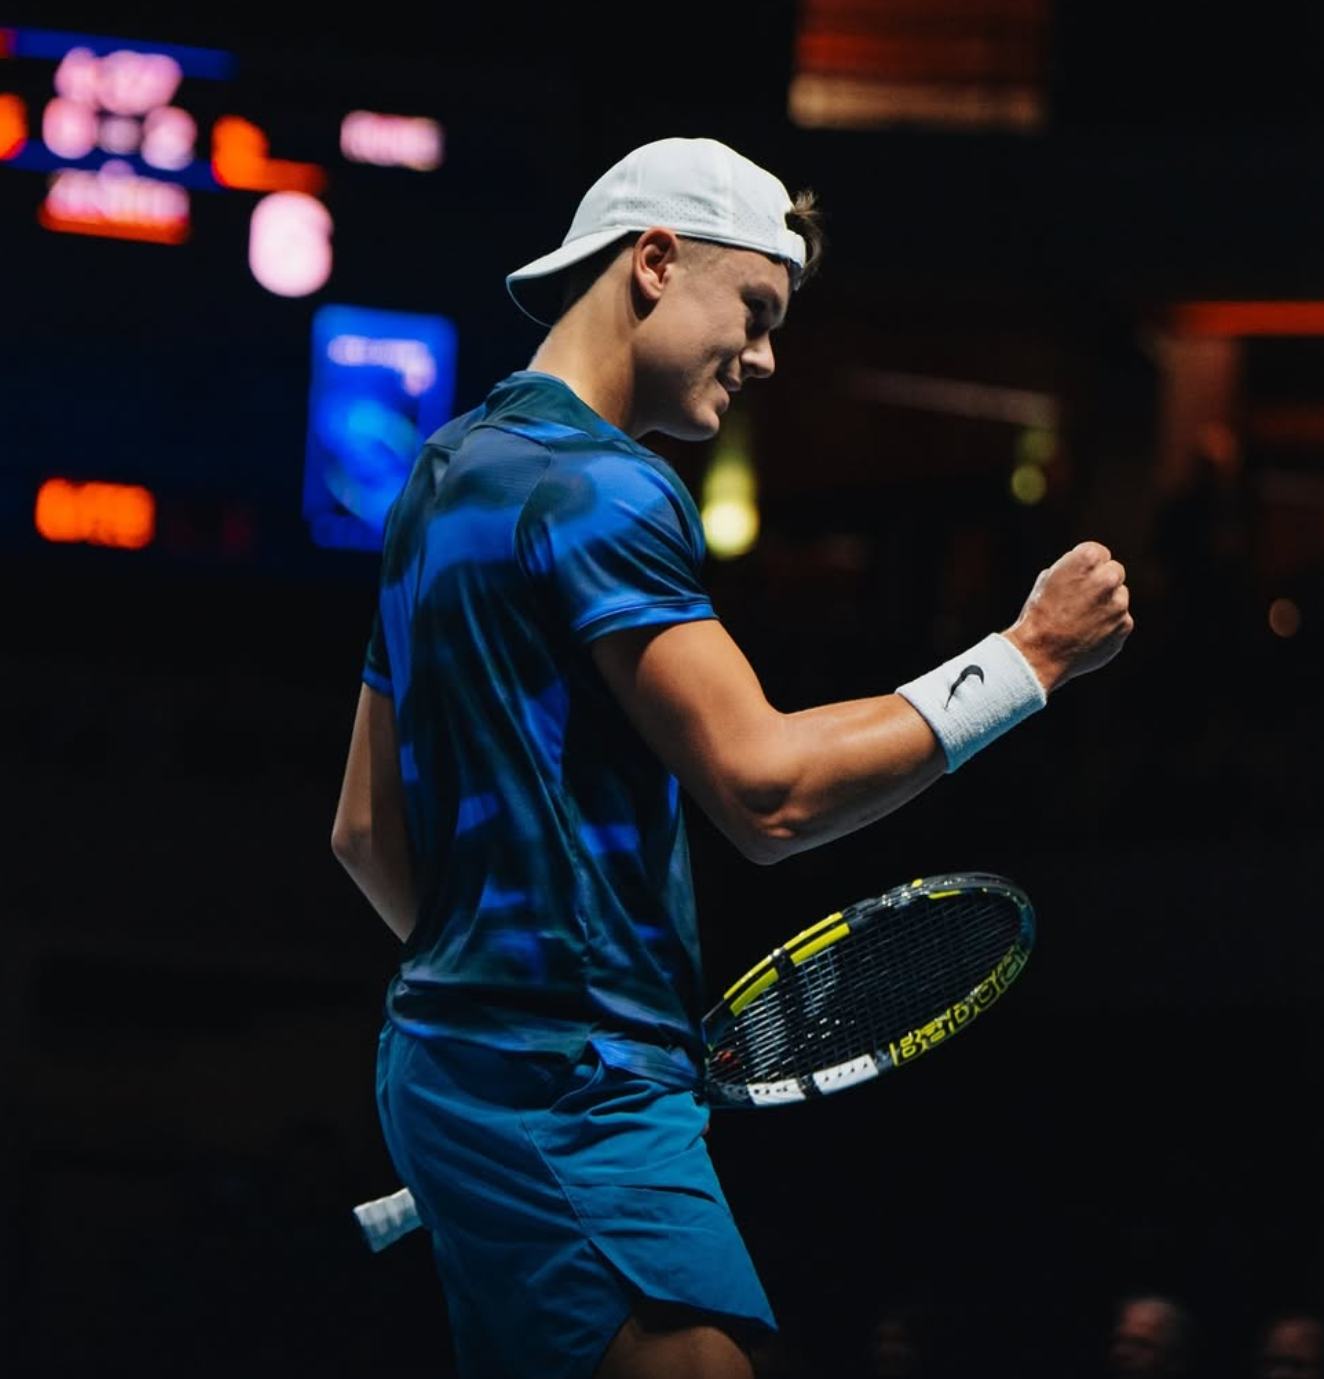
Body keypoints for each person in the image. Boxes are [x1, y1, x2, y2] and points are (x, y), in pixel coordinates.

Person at [330, 134, 1135, 1379]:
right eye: (755, 310)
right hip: (572, 1079)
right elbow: (770, 791)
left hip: (446, 1063)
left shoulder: (442, 475)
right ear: (654, 262)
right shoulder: (602, 487)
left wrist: (499, 994)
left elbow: (364, 830)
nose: (763, 358)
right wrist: (1026, 660)